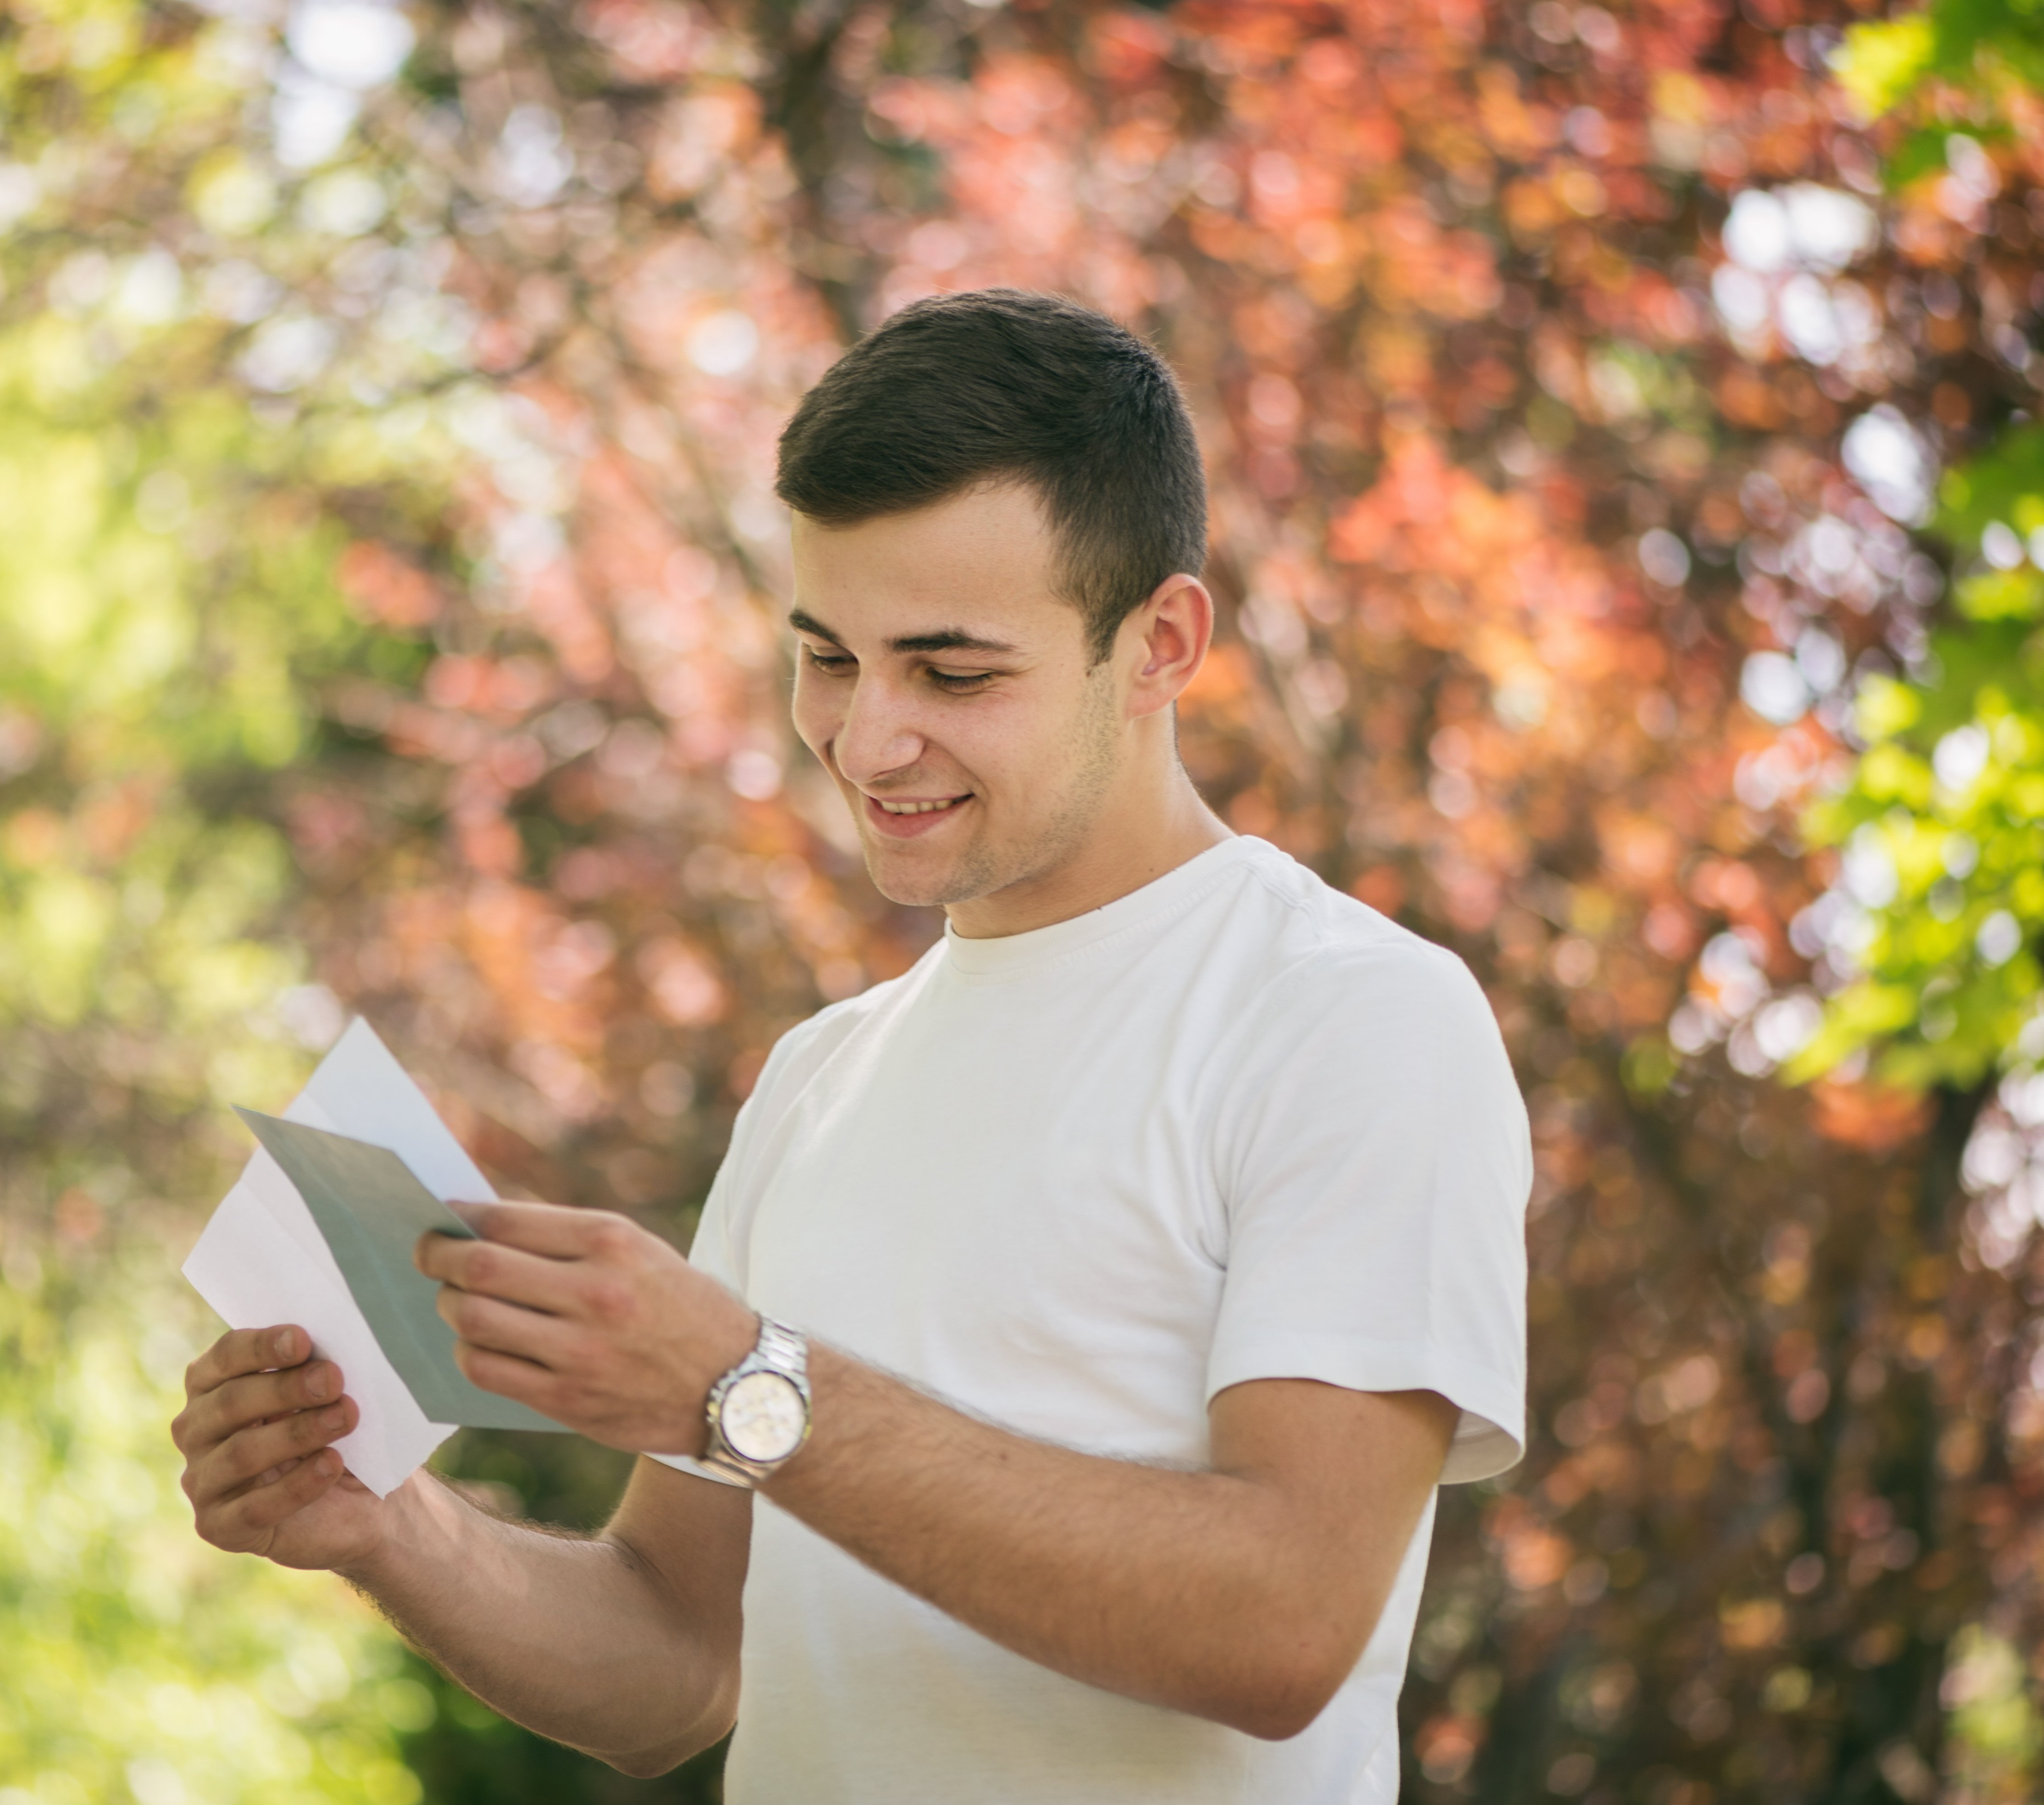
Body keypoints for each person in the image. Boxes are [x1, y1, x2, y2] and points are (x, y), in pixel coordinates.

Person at [171, 288, 1529, 1803]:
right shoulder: (820, 1081)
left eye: (953, 675)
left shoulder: (1352, 1017)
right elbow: (679, 1661)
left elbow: (1287, 1625)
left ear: (1159, 645)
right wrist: (386, 1525)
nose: (867, 740)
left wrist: (747, 1387)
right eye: (829, 658)